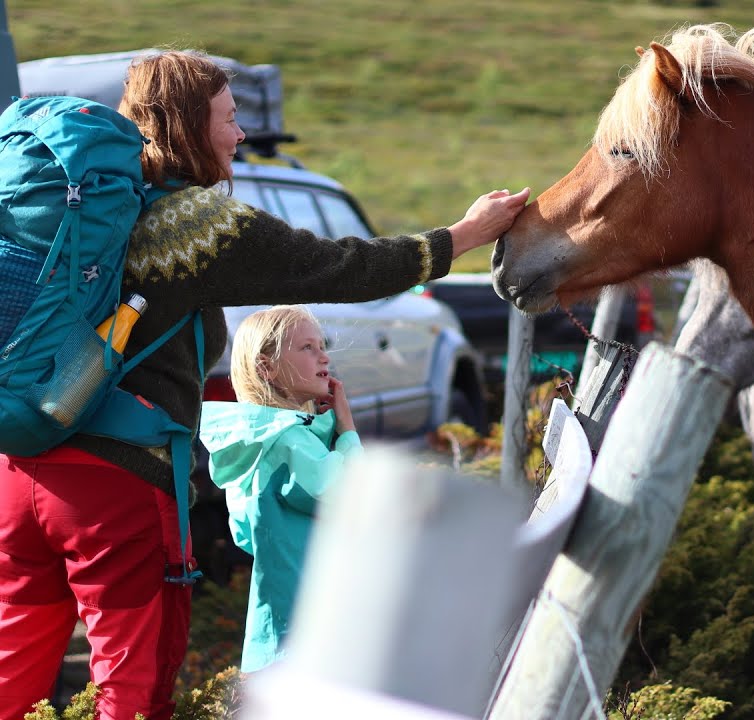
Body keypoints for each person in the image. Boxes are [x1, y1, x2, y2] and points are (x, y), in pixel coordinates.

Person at [0, 50, 528, 720]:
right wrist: (464, 235)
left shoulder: (89, 212)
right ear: (192, 126)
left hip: (21, 472)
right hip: (116, 492)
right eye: (229, 116)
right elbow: (340, 268)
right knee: (131, 691)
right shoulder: (190, 223)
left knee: (11, 683)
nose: (240, 134)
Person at [198, 305, 358, 675]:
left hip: (283, 630)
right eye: (306, 348)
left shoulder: (265, 439)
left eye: (322, 345)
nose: (324, 355)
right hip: (313, 634)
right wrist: (346, 432)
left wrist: (325, 431)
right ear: (266, 367)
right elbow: (355, 496)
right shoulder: (287, 440)